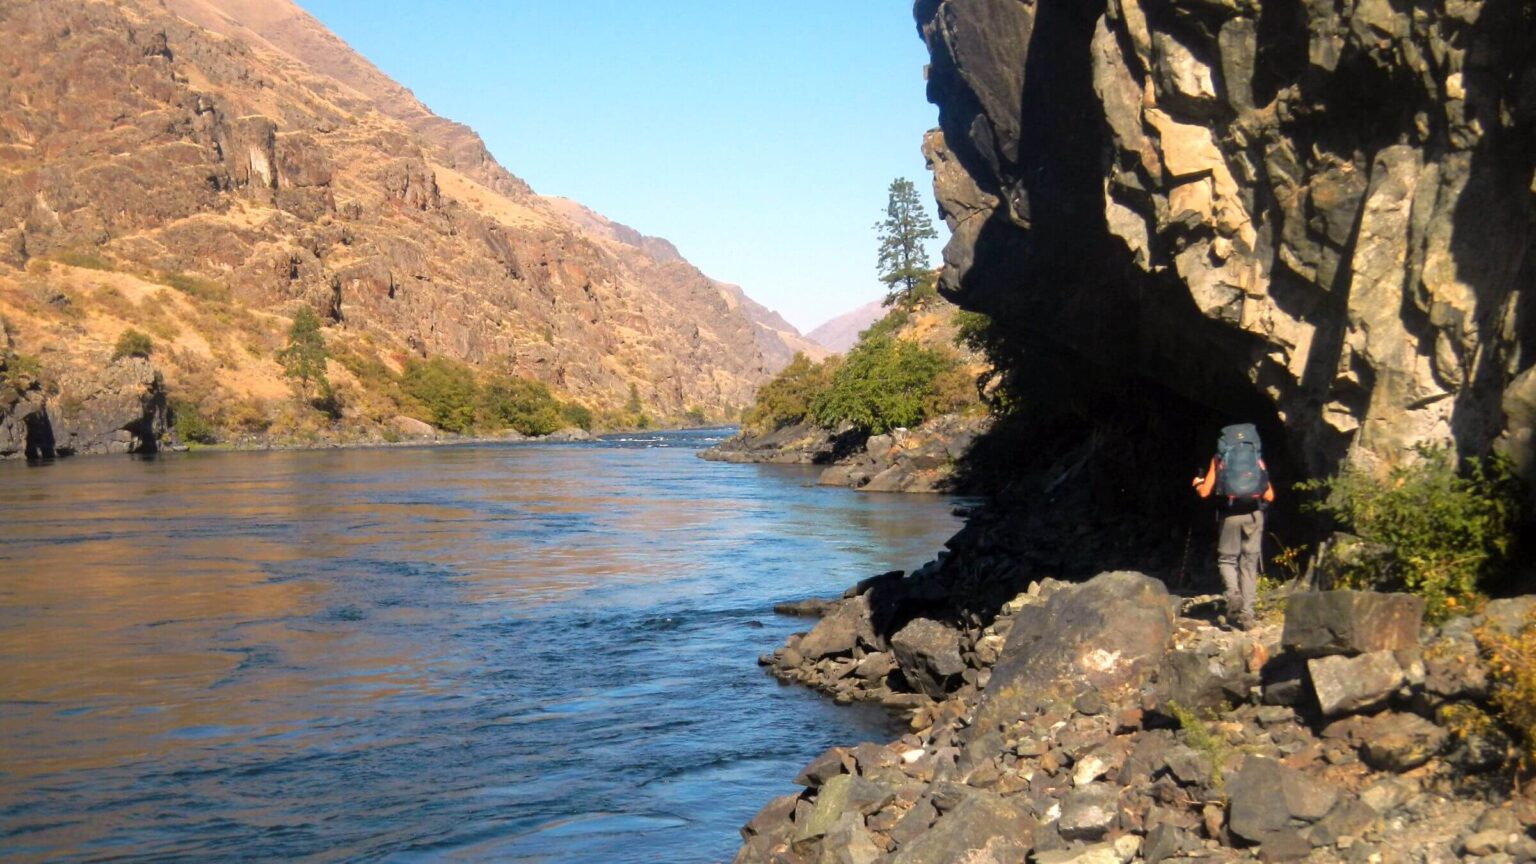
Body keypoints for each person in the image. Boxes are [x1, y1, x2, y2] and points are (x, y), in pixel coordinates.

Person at [1191, 424, 1275, 630]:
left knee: (1227, 559)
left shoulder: (1219, 458)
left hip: (1230, 515)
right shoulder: (1255, 457)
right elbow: (1270, 495)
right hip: (1254, 515)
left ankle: (1233, 594)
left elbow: (1204, 493)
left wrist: (1196, 484)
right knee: (1249, 563)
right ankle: (1247, 615)